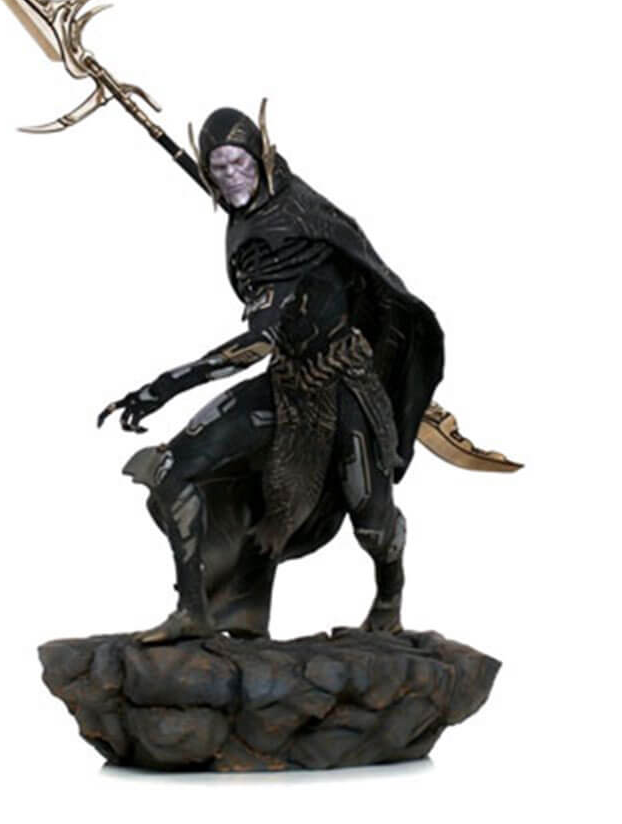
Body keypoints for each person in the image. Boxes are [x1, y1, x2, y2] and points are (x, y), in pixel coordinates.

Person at [98, 106, 444, 643]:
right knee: (172, 470)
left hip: (343, 383)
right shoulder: (275, 195)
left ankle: (388, 602)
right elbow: (240, 203)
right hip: (287, 380)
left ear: (262, 159)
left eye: (240, 164)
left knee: (372, 518)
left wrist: (160, 388)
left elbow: (256, 344)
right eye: (218, 168)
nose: (232, 178)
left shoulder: (283, 236)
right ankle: (193, 611)